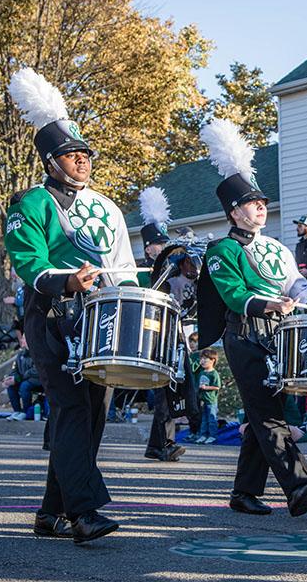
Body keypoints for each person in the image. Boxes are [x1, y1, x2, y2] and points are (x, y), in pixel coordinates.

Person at [5, 67, 138, 544]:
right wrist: (68, 280)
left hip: (102, 321)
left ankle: (50, 512)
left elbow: (123, 265)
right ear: (51, 160)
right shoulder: (31, 204)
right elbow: (28, 262)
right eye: (72, 154)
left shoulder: (108, 206)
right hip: (53, 319)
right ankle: (85, 513)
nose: (83, 160)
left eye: (85, 153)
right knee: (71, 409)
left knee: (90, 415)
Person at [197, 117, 307, 517]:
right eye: (255, 203)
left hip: (277, 336)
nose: (262, 207)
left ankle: (244, 492)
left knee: (261, 412)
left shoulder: (278, 247)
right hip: (245, 334)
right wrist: (266, 303)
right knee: (268, 414)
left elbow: (295, 285)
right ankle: (299, 483)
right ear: (235, 212)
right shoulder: (220, 251)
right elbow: (234, 296)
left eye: (264, 203)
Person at [137, 186, 186, 462]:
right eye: (159, 244)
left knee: (169, 388)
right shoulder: (144, 271)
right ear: (148, 247)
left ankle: (159, 444)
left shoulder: (174, 271)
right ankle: (162, 443)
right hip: (149, 335)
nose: (164, 248)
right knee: (164, 389)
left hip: (169, 332)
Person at [4, 335, 42, 421]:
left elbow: (35, 371)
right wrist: (12, 378)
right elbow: (15, 369)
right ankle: (17, 411)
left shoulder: (37, 353)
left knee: (24, 386)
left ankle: (26, 411)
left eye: (24, 338)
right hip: (24, 379)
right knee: (11, 387)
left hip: (37, 380)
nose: (22, 340)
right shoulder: (21, 354)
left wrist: (18, 379)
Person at [195, 348, 220, 444]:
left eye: (205, 359)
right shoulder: (202, 372)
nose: (203, 361)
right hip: (203, 400)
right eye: (202, 359)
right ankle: (203, 435)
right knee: (204, 419)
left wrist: (206, 388)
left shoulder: (214, 374)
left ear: (213, 360)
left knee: (211, 418)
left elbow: (217, 387)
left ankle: (212, 435)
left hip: (211, 400)